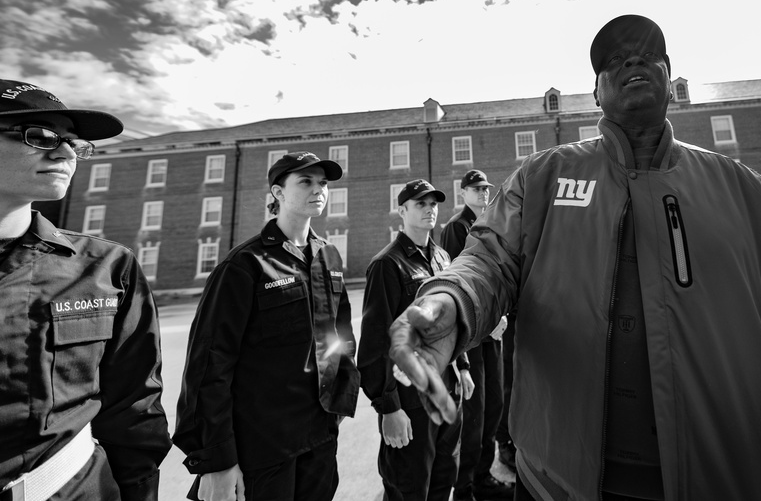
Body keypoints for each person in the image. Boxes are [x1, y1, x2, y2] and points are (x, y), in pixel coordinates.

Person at [387, 14, 761, 500]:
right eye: (615, 61)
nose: (633, 63)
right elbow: (489, 258)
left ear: (671, 80)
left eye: (648, 56)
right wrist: (452, 303)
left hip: (724, 474)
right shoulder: (544, 177)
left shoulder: (743, 190)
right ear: (597, 93)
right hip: (561, 480)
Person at [0, 79, 171, 500]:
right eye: (39, 136)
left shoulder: (106, 268)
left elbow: (134, 411)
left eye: (73, 143)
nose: (65, 153)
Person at [174, 151, 358, 501]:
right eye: (305, 181)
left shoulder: (328, 256)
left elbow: (341, 337)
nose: (318, 189)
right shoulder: (245, 264)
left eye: (322, 183)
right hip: (262, 446)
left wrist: (340, 403)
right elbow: (209, 365)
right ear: (278, 192)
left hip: (320, 437)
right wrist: (216, 460)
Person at [358, 179, 472, 501]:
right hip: (411, 401)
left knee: (443, 479)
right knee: (409, 487)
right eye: (420, 204)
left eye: (433, 203)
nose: (429, 209)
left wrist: (462, 366)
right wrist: (389, 408)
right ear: (402, 210)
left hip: (447, 391)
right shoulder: (387, 265)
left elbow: (453, 321)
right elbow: (376, 343)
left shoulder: (444, 259)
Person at [441, 170, 513, 501]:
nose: (484, 193)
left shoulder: (490, 223)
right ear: (463, 192)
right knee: (475, 414)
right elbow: (466, 277)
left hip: (494, 332)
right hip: (475, 337)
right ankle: (466, 485)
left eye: (486, 188)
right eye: (476, 189)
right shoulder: (457, 227)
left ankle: (483, 475)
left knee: (494, 406)